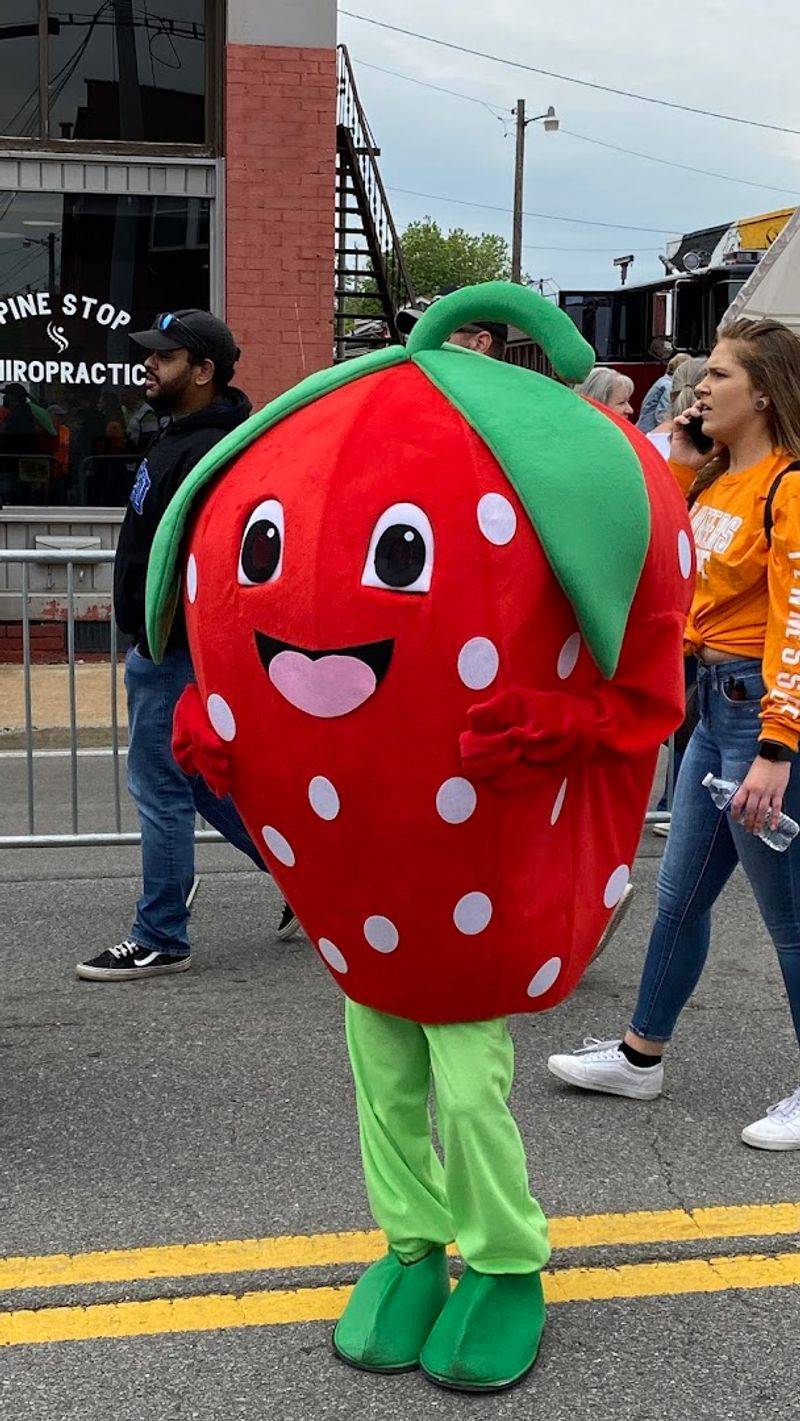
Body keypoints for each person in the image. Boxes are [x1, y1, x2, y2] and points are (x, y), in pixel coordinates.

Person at [548, 316, 800, 1151]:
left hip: (760, 723)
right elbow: (633, 492)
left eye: (719, 377)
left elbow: (797, 623)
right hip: (708, 712)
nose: (699, 386)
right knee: (678, 896)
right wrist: (685, 446)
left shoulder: (789, 488)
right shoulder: (716, 478)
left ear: (764, 391)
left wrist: (775, 750)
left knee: (791, 919)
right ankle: (639, 1054)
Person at [76, 309, 296, 983]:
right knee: (197, 781)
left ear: (201, 372)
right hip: (166, 642)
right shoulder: (186, 435)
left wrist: (163, 637)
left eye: (165, 357)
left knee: (160, 785)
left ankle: (161, 934)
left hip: (173, 647)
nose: (150, 364)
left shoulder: (211, 450)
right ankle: (312, 879)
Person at [637, 351, 691, 434]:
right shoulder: (669, 386)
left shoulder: (664, 381)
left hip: (645, 431)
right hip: (649, 434)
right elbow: (663, 416)